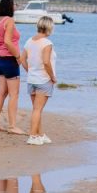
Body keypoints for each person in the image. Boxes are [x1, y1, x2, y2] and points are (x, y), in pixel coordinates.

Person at [0, 0, 25, 134]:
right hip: (9, 60)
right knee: (14, 94)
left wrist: (0, 52)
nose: (15, 6)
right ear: (10, 6)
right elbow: (8, 42)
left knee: (1, 93)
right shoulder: (9, 21)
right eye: (14, 4)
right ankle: (12, 126)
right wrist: (18, 57)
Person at [22, 15, 56, 145]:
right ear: (49, 28)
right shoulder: (47, 43)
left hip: (32, 80)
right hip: (43, 80)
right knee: (37, 110)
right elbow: (46, 62)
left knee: (37, 109)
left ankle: (40, 134)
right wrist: (52, 77)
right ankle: (33, 136)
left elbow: (22, 59)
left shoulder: (29, 41)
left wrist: (30, 71)